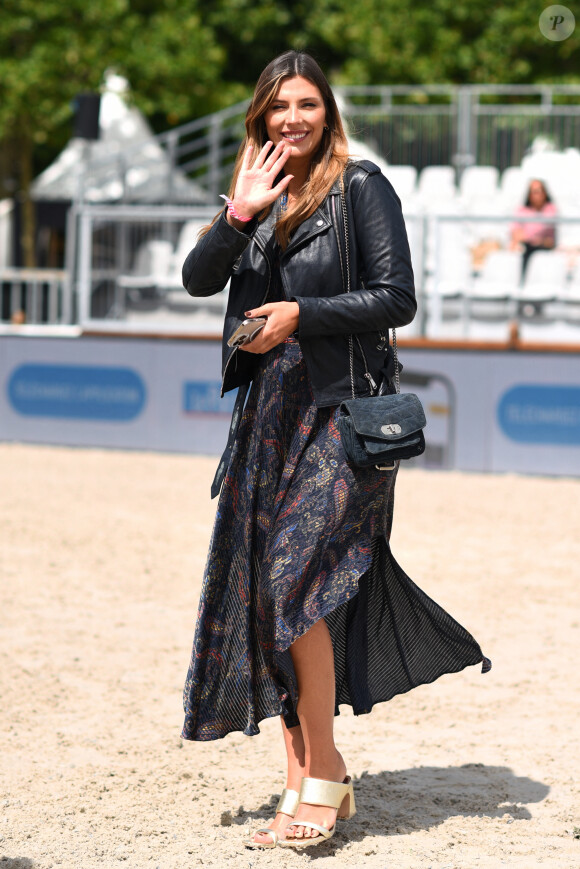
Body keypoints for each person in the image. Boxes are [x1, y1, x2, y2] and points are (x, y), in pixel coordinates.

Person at [181, 50, 490, 850]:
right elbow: (196, 279)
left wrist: (298, 314)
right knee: (268, 598)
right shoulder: (255, 194)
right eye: (279, 106)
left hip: (340, 415)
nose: (293, 118)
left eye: (307, 104)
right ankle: (308, 769)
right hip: (266, 418)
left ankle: (322, 771)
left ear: (328, 111)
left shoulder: (362, 186)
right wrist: (237, 215)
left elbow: (397, 297)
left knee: (296, 584)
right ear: (261, 115)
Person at [509, 178, 557, 278]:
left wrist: (527, 235)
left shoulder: (550, 209)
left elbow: (544, 228)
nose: (537, 195)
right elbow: (515, 231)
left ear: (545, 193)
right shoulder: (522, 209)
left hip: (544, 246)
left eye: (539, 191)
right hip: (527, 247)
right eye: (533, 192)